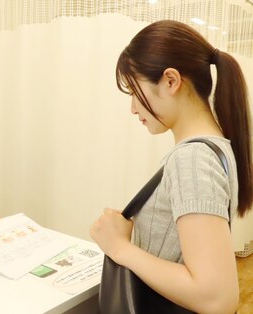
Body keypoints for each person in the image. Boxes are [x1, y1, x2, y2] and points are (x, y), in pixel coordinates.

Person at [90, 20, 252, 314]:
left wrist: (119, 247)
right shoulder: (218, 148)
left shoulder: (192, 159)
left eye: (134, 91)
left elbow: (217, 298)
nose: (133, 108)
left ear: (170, 81)